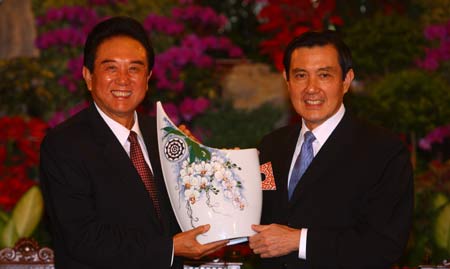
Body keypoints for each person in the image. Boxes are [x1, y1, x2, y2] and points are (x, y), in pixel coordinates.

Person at [39, 16, 227, 269]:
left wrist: (195, 164)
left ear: (148, 78)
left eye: (134, 68)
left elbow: (189, 213)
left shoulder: (165, 136)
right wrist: (170, 248)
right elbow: (82, 238)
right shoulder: (63, 145)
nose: (124, 80)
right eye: (111, 68)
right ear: (88, 76)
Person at [249, 30, 414, 269]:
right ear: (287, 81)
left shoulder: (384, 152)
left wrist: (300, 240)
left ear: (346, 81)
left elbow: (385, 244)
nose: (311, 88)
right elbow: (260, 212)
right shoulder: (270, 147)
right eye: (300, 75)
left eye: (324, 75)